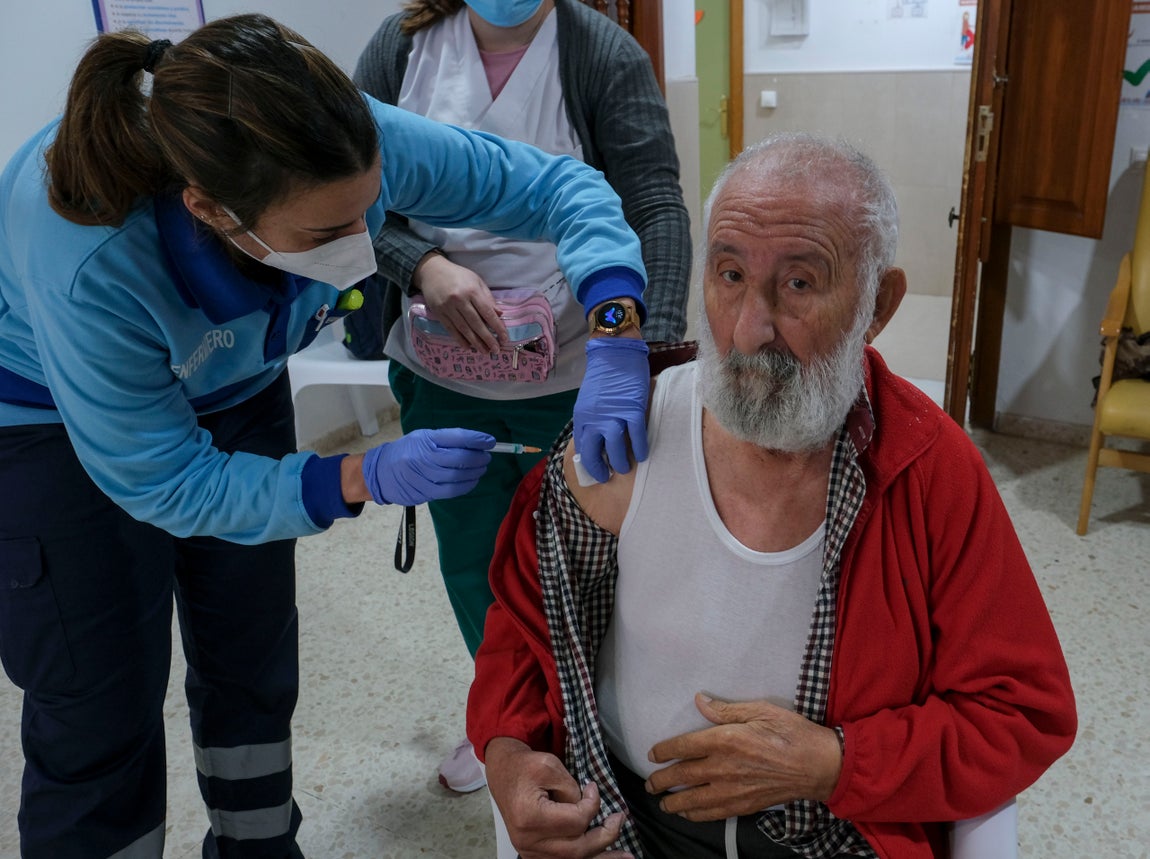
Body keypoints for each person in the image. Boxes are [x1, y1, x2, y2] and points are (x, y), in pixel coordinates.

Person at [0, 13, 652, 858]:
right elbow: (165, 481)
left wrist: (615, 325)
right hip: (51, 418)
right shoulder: (89, 245)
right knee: (99, 696)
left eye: (367, 215)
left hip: (236, 382)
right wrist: (356, 478)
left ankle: (260, 845)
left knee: (250, 653)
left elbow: (562, 188)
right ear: (211, 211)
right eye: (324, 234)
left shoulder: (347, 138)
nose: (361, 246)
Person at [466, 133, 1078, 858]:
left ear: (877, 304)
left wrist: (837, 762)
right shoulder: (627, 433)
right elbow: (524, 625)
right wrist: (505, 753)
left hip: (838, 828)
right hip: (624, 822)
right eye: (728, 275)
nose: (749, 330)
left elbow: (1020, 712)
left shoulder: (925, 469)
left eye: (798, 284)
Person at [352, 0, 691, 792]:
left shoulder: (598, 53)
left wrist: (644, 348)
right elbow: (351, 198)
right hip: (442, 372)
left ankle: (595, 721)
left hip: (576, 366)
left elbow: (654, 207)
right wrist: (423, 264)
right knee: (473, 562)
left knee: (583, 559)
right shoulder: (402, 50)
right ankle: (506, 720)